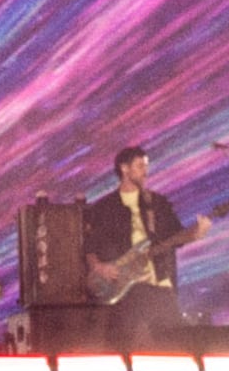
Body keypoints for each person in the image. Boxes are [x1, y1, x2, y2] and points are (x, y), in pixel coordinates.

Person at [79, 144, 203, 340]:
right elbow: (90, 245)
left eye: (146, 166)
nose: (145, 171)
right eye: (140, 166)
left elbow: (177, 237)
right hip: (126, 288)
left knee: (176, 345)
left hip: (160, 283)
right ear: (124, 168)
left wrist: (195, 233)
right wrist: (99, 267)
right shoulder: (105, 207)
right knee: (121, 344)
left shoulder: (158, 203)